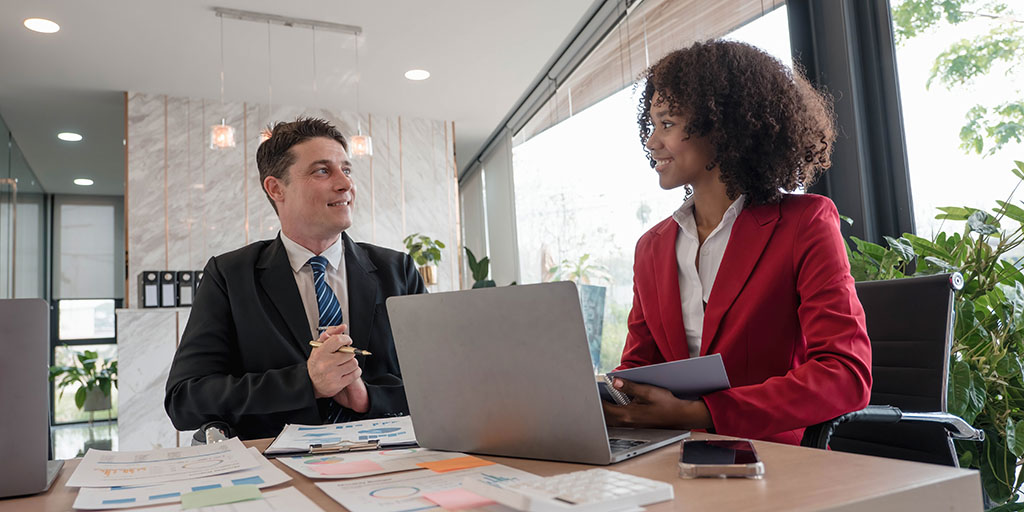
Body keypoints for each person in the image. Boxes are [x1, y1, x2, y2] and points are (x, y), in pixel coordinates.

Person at [602, 40, 872, 445]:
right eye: (652, 124)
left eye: (668, 124)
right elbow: (639, 369)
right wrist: (606, 399)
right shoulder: (652, 247)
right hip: (671, 455)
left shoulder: (804, 224)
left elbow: (844, 374)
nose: (652, 141)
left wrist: (703, 413)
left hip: (769, 457)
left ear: (722, 128)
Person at [165, 117, 426, 440]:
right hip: (277, 472)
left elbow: (440, 384)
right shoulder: (230, 276)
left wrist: (368, 398)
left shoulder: (397, 270)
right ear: (276, 188)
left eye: (346, 170)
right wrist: (305, 383)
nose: (345, 184)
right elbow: (185, 400)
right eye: (322, 170)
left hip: (390, 465)